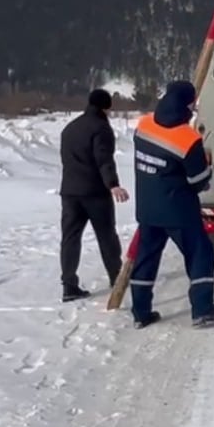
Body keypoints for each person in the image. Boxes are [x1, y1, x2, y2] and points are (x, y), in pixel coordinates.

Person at [128, 80, 214, 329]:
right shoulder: (188, 139)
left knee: (146, 259)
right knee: (200, 253)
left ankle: (141, 313)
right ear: (189, 105)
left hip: (147, 208)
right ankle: (202, 309)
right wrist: (205, 168)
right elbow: (197, 181)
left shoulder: (144, 124)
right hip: (178, 211)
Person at [58, 88, 129, 302]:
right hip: (95, 193)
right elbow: (103, 159)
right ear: (106, 107)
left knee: (70, 239)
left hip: (70, 191)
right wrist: (113, 184)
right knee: (107, 237)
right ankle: (116, 279)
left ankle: (69, 286)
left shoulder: (70, 128)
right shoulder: (101, 128)